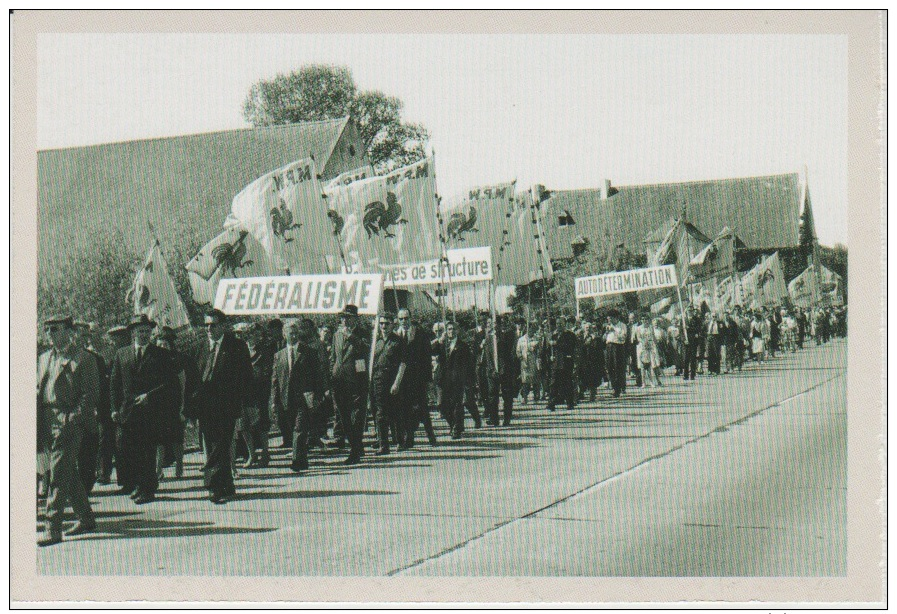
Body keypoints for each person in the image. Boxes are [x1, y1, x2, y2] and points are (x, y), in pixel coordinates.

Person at [37, 315, 100, 546]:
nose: (50, 334)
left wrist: (72, 419)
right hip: (46, 419)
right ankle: (86, 518)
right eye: (47, 330)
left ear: (69, 331)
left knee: (57, 475)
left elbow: (90, 394)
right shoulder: (44, 358)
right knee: (66, 473)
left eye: (55, 329)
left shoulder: (84, 359)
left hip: (68, 421)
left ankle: (52, 528)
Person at [188, 309, 252, 504]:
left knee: (221, 444)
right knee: (214, 444)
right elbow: (192, 381)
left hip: (227, 405)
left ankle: (213, 485)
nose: (209, 329)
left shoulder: (237, 347)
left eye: (213, 325)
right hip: (205, 406)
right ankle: (226, 483)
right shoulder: (198, 348)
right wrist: (190, 408)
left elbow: (246, 377)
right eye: (206, 325)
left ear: (223, 326)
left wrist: (246, 404)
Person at [154, 326, 199, 479]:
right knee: (159, 439)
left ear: (171, 344)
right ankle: (158, 469)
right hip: (159, 406)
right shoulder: (154, 360)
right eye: (159, 344)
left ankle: (179, 465)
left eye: (165, 344)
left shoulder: (180, 360)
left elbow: (184, 385)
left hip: (175, 404)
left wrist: (183, 408)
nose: (162, 347)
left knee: (176, 438)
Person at [330, 305, 371, 465]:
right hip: (339, 381)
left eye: (348, 317)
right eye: (342, 317)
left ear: (355, 318)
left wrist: (351, 336)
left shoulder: (363, 334)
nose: (344, 320)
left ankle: (355, 450)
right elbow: (333, 357)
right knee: (343, 416)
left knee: (356, 417)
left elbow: (367, 349)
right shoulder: (336, 335)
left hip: (356, 380)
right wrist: (332, 372)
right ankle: (356, 445)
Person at [395, 309, 437, 448]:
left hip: (418, 378)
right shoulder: (396, 335)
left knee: (423, 409)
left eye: (406, 318)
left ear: (410, 318)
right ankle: (409, 439)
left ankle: (431, 436)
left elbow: (426, 358)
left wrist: (428, 380)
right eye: (401, 319)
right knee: (405, 409)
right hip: (402, 379)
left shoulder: (419, 334)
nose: (404, 321)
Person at [72, 321, 103, 495]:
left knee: (87, 454)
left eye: (87, 335)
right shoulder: (62, 358)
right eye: (81, 335)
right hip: (69, 415)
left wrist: (99, 409)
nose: (85, 338)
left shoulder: (94, 358)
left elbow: (101, 387)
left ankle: (85, 487)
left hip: (89, 415)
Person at [98, 325, 130, 487]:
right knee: (105, 440)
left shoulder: (129, 353)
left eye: (117, 337)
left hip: (125, 404)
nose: (114, 341)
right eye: (113, 338)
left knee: (122, 443)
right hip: (106, 405)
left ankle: (124, 478)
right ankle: (104, 473)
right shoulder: (106, 356)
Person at [370, 315, 407, 455]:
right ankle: (383, 445)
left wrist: (397, 383)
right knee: (380, 413)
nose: (383, 326)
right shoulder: (376, 341)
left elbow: (403, 364)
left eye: (387, 324)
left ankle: (399, 441)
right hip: (378, 381)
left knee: (396, 412)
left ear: (392, 325)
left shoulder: (398, 341)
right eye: (381, 324)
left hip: (393, 380)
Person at [436, 320, 475, 439]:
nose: (451, 331)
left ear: (457, 330)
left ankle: (456, 429)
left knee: (457, 404)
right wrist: (439, 341)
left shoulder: (463, 346)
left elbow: (469, 364)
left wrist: (469, 380)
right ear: (446, 332)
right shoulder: (442, 345)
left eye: (453, 329)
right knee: (442, 404)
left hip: (458, 379)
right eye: (449, 329)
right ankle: (453, 424)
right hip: (443, 379)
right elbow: (430, 351)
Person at [546, 316, 577, 411]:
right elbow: (548, 349)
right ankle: (551, 403)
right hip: (555, 363)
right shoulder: (553, 335)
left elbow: (569, 346)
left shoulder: (570, 335)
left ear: (565, 324)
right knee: (553, 383)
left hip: (566, 362)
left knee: (567, 382)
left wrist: (556, 344)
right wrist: (550, 355)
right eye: (557, 324)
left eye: (561, 324)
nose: (559, 325)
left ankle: (569, 403)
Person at [604, 312, 628, 397]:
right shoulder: (608, 326)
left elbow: (623, 337)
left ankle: (618, 388)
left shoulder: (622, 325)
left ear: (616, 318)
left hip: (618, 347)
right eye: (608, 319)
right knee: (609, 367)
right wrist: (606, 332)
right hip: (609, 346)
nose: (609, 320)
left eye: (610, 319)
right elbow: (605, 338)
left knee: (618, 367)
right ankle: (615, 386)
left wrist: (614, 331)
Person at [682, 307, 704, 382]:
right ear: (686, 311)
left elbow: (698, 329)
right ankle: (685, 375)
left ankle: (692, 375)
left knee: (693, 358)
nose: (690, 312)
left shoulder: (696, 319)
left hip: (693, 341)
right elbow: (681, 331)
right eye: (688, 311)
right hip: (686, 342)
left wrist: (689, 328)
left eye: (691, 311)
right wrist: (684, 340)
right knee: (686, 359)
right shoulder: (684, 320)